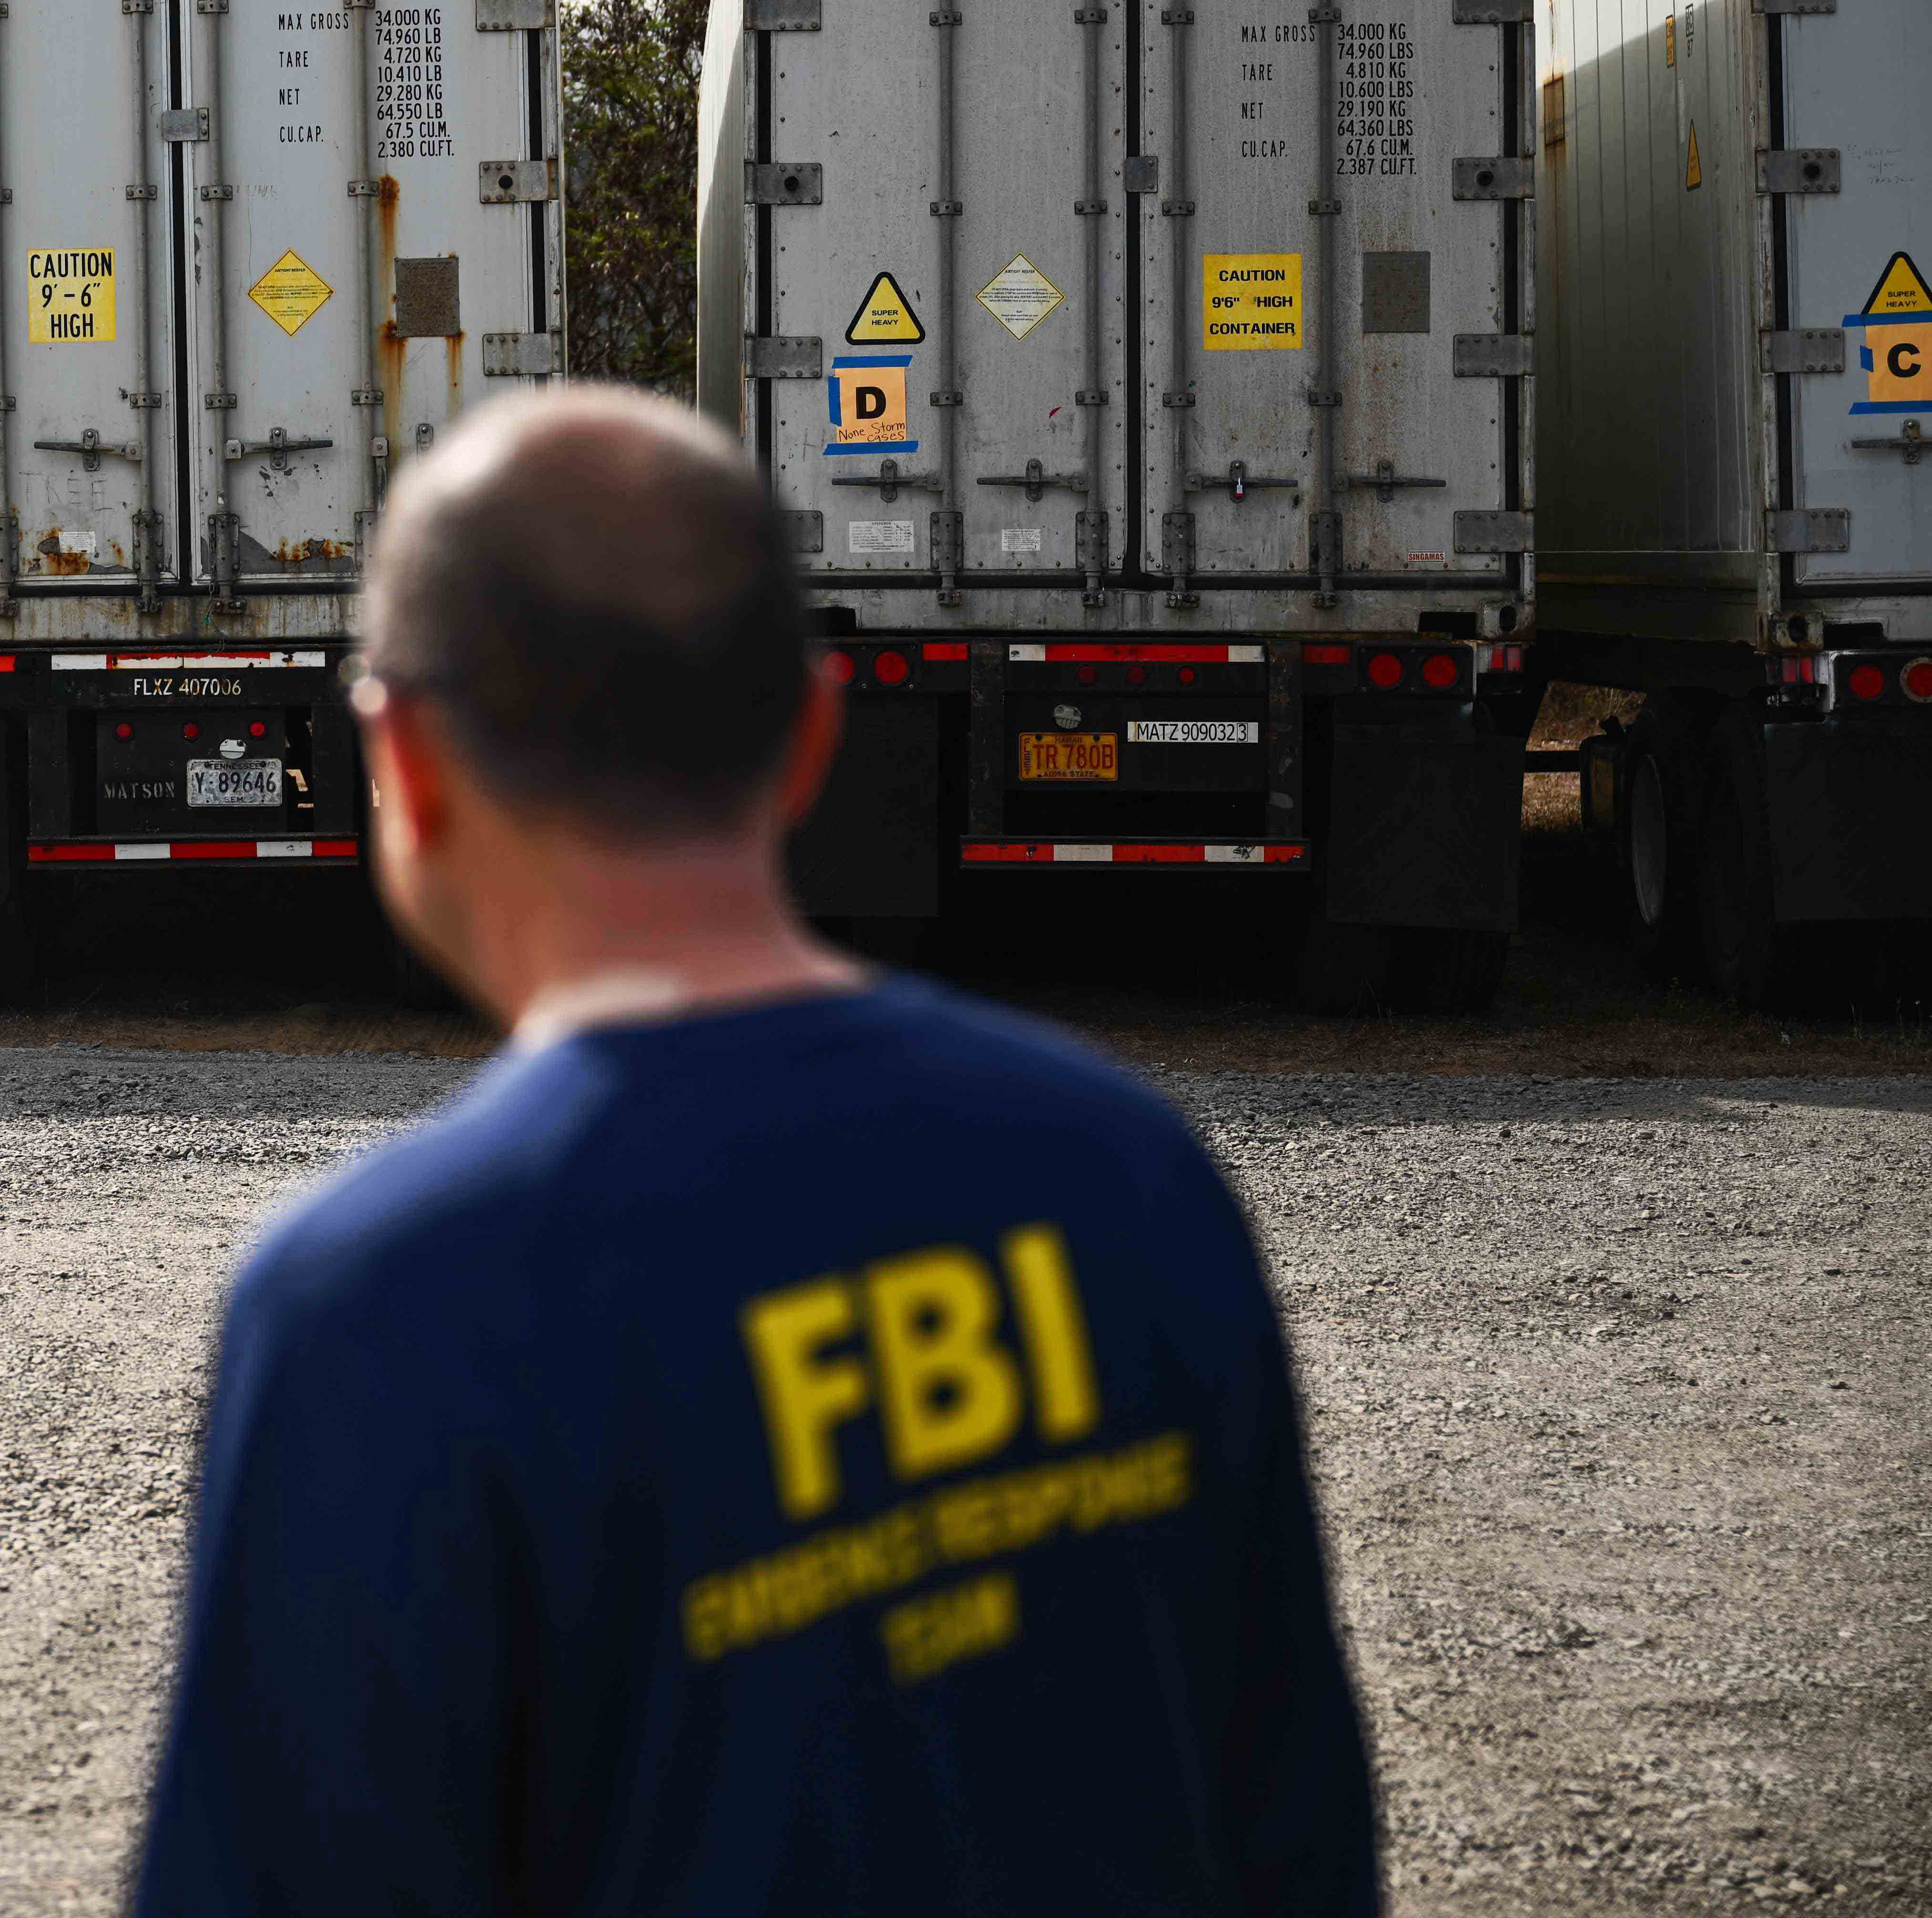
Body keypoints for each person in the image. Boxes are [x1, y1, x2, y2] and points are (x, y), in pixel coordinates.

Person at [132, 387, 1377, 1916]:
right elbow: (1298, 1837)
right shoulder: (1132, 1173)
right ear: (810, 733)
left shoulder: (382, 1312)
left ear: (408, 764)